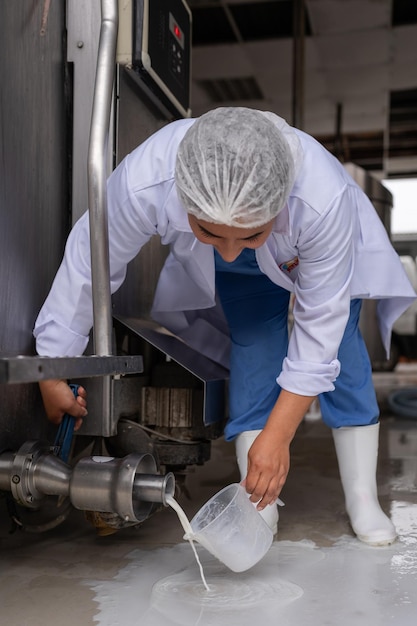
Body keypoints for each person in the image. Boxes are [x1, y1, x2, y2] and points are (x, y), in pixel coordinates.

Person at [34, 107, 415, 546]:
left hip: (311, 250)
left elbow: (320, 327)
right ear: (184, 199)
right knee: (253, 346)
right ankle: (261, 504)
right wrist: (53, 365)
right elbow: (91, 259)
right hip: (254, 272)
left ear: (280, 204)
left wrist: (280, 436)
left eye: (249, 237)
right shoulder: (151, 177)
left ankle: (363, 498)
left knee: (344, 352)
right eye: (208, 232)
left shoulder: (321, 197)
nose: (230, 254)